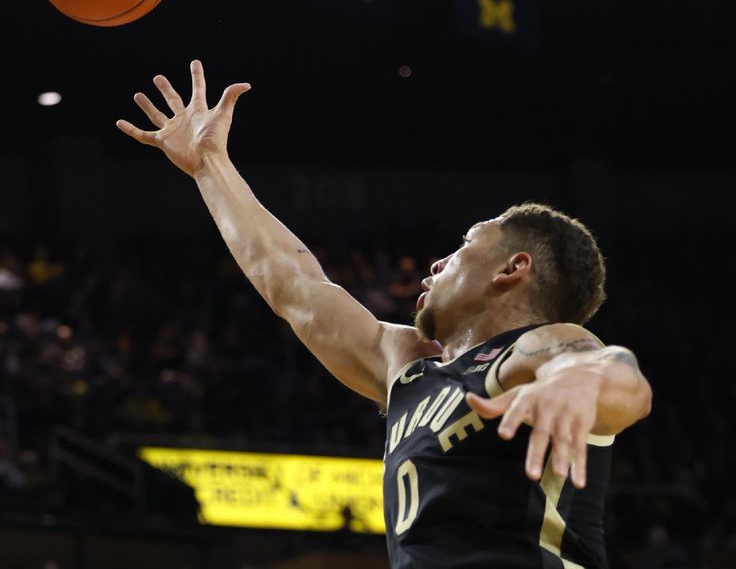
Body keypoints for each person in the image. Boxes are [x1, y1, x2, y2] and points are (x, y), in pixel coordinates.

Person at [117, 60, 653, 568]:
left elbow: (610, 374)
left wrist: (578, 379)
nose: (438, 261)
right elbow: (294, 284)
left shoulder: (533, 349)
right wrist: (210, 165)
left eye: (465, 244)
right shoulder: (407, 364)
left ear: (511, 269)